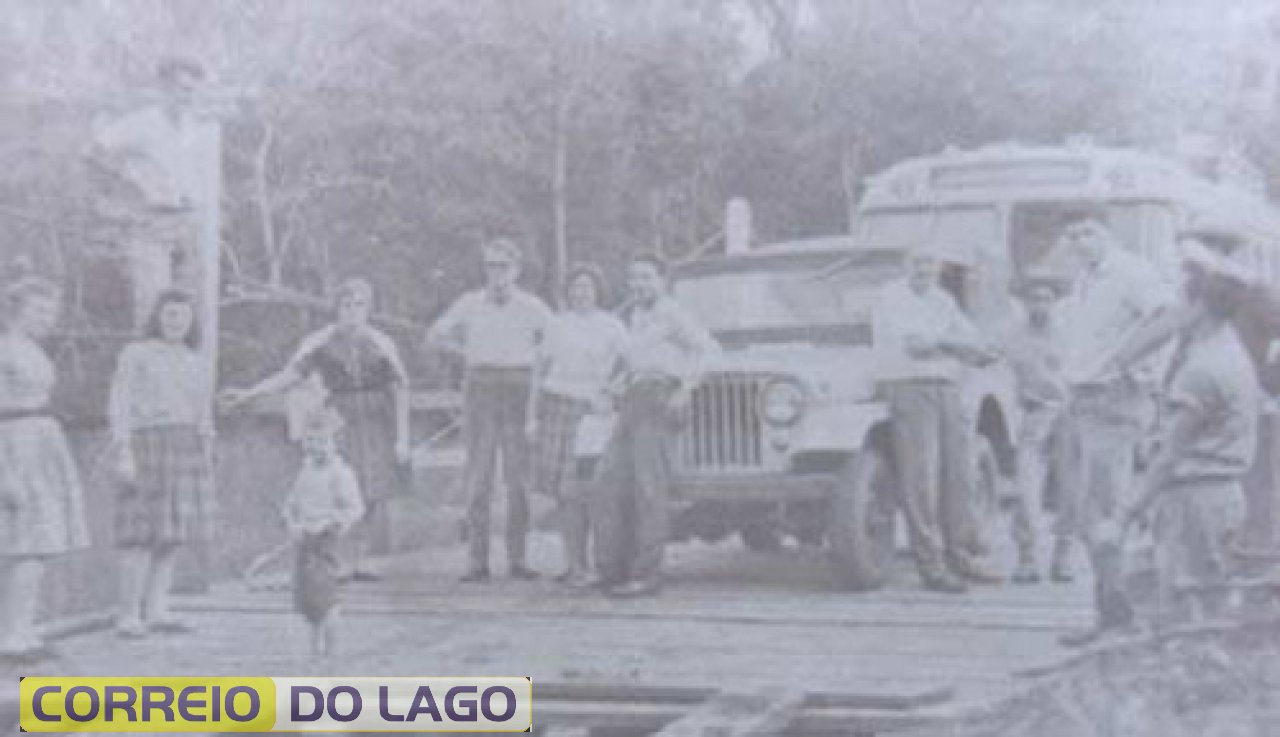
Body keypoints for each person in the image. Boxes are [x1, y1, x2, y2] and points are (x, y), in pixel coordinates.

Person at [222, 278, 409, 582]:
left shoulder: (382, 343)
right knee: (337, 484)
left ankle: (358, 559)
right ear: (337, 308)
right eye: (346, 305)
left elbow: (401, 388)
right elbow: (290, 375)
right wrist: (250, 393)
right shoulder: (321, 341)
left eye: (359, 305)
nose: (352, 311)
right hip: (339, 417)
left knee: (372, 490)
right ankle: (335, 559)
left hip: (376, 420)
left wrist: (402, 436)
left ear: (368, 308)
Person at [1051, 206, 1176, 646]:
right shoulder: (1086, 279)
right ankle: (1113, 609)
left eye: (1087, 231)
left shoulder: (1129, 271)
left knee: (1106, 509)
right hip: (1082, 399)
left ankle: (1119, 617)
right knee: (1086, 510)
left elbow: (1166, 317)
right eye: (1072, 235)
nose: (1079, 242)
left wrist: (1128, 364)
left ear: (1107, 231)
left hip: (1113, 399)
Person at [1123, 237, 1258, 626]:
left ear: (1198, 307)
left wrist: (1130, 511)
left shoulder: (1203, 369)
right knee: (1202, 606)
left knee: (1185, 617)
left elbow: (1170, 454)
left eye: (1180, 302)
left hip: (1195, 499)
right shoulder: (1226, 350)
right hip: (1216, 495)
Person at [871, 242, 1002, 594]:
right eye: (917, 262)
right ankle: (931, 565)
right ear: (904, 264)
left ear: (940, 268)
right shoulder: (890, 297)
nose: (924, 269)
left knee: (958, 474)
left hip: (948, 388)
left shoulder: (943, 299)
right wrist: (959, 347)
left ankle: (959, 555)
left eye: (930, 263)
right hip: (910, 388)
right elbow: (916, 345)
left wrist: (957, 346)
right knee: (921, 478)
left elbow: (974, 340)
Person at [591, 252, 717, 598]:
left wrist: (685, 389)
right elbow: (639, 363)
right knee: (608, 481)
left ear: (663, 280)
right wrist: (615, 385)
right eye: (633, 278)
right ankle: (611, 569)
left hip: (658, 399)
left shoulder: (673, 313)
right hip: (632, 398)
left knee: (650, 489)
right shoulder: (635, 316)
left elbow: (709, 350)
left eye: (646, 277)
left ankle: (647, 576)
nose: (638, 285)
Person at [427, 239, 553, 582]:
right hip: (480, 386)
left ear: (517, 269)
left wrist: (538, 371)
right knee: (478, 476)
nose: (497, 274)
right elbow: (435, 335)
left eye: (503, 266)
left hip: (519, 385)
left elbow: (555, 343)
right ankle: (477, 561)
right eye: (491, 266)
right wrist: (464, 351)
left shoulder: (532, 306)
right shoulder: (470, 303)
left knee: (518, 480)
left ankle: (518, 560)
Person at [109, 289, 216, 638]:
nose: (176, 322)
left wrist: (206, 444)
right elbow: (120, 402)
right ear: (157, 317)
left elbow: (202, 409)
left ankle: (157, 610)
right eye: (170, 314)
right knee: (140, 533)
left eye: (183, 316)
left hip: (184, 445)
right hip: (146, 443)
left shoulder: (194, 359)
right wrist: (123, 450)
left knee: (172, 534)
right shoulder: (136, 353)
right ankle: (128, 614)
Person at [0, 276, 90, 662]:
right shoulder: (5, 352)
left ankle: (22, 628)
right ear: (17, 310)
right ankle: (11, 636)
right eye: (39, 309)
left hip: (41, 445)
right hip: (14, 444)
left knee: (39, 545)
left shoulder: (33, 350)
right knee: (23, 545)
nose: (47, 318)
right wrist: (6, 474)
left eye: (51, 310)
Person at [527, 264, 628, 587]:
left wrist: (612, 392)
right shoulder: (557, 325)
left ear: (598, 290)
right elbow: (538, 373)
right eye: (575, 286)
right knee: (565, 494)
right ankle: (575, 566)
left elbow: (631, 365)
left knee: (594, 490)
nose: (581, 293)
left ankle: (603, 565)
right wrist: (532, 417)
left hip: (595, 414)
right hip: (559, 408)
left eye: (587, 286)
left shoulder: (612, 326)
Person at [1000, 275, 1073, 584]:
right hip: (1032, 417)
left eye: (1046, 298)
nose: (1039, 304)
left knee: (1071, 491)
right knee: (1026, 492)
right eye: (1033, 298)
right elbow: (993, 366)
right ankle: (1027, 558)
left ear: (1056, 301)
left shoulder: (1071, 334)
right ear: (1024, 302)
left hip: (1068, 416)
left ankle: (1063, 557)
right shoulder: (1011, 336)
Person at [282, 406, 366, 657]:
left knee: (327, 595)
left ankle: (332, 646)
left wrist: (334, 523)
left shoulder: (340, 474)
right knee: (308, 597)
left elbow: (354, 508)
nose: (316, 446)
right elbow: (291, 503)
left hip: (327, 540)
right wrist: (293, 523)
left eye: (322, 441)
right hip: (305, 540)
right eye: (310, 440)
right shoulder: (305, 472)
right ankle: (314, 643)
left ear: (334, 443)